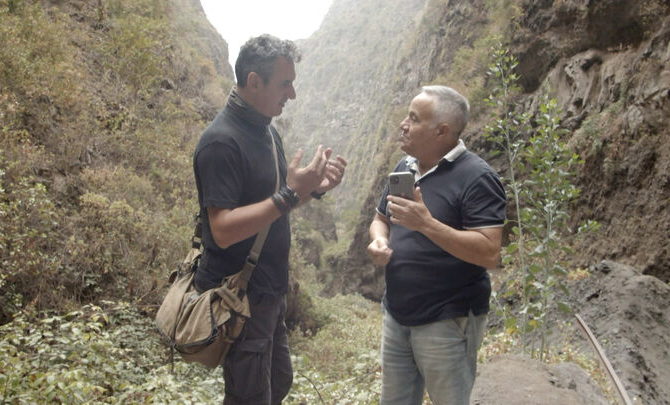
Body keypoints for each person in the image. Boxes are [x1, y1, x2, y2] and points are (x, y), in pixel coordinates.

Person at [193, 34, 347, 405]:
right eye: (285, 83)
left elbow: (276, 206)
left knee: (278, 382)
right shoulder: (221, 142)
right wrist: (290, 194)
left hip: (270, 292)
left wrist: (313, 190)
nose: (292, 93)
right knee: (250, 396)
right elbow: (222, 230)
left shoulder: (267, 131)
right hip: (240, 295)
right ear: (254, 81)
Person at [366, 85, 506, 405]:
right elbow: (380, 218)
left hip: (447, 321)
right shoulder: (405, 167)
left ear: (441, 131)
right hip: (397, 314)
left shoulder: (477, 177)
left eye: (414, 119)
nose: (403, 124)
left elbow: (489, 252)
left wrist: (426, 224)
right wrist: (379, 239)